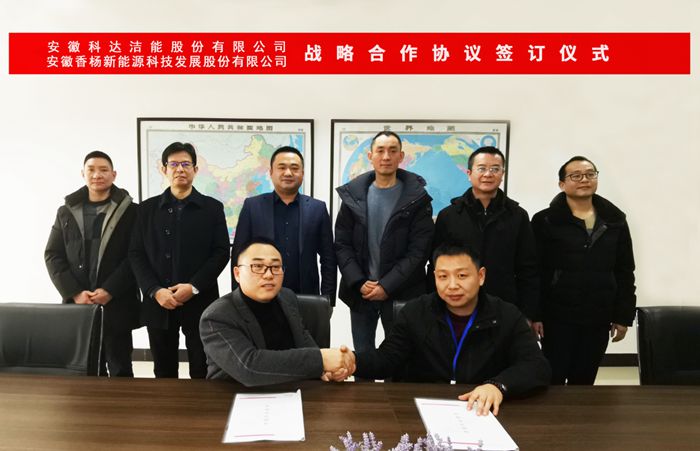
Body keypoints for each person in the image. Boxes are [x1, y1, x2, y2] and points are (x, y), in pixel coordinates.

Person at [352, 244, 551, 416]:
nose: (452, 285)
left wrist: (498, 385)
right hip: (422, 410)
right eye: (443, 277)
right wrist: (351, 361)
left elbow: (536, 366)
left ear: (481, 276)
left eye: (462, 276)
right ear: (435, 277)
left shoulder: (506, 315)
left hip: (482, 411)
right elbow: (386, 359)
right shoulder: (415, 312)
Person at [531, 156, 636, 385]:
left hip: (598, 314)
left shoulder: (615, 220)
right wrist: (534, 314)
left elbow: (625, 270)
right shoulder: (545, 220)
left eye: (590, 174)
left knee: (585, 380)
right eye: (576, 176)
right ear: (562, 184)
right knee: (552, 378)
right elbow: (534, 270)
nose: (584, 180)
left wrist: (623, 316)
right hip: (556, 315)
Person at [129, 142, 230, 378]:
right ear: (164, 169)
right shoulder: (146, 209)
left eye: (186, 164)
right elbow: (135, 253)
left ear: (195, 169)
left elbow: (221, 252)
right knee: (163, 370)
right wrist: (154, 290)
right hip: (158, 302)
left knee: (202, 368)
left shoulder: (212, 208)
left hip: (200, 301)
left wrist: (193, 287)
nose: (180, 169)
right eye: (173, 164)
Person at [200, 238, 353, 386]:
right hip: (233, 396)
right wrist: (321, 360)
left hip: (289, 392)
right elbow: (248, 367)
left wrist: (324, 370)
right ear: (237, 274)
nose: (269, 275)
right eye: (257, 266)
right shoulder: (216, 316)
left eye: (275, 267)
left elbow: (304, 341)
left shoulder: (286, 297)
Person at [335, 131, 434, 354]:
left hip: (402, 293)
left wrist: (386, 286)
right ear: (370, 156)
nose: (386, 156)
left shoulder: (417, 199)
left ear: (401, 156)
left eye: (392, 151)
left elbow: (419, 252)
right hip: (361, 292)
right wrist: (359, 281)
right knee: (363, 357)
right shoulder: (353, 196)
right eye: (380, 151)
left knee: (400, 357)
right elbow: (342, 244)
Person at [45, 151, 140, 377]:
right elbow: (53, 255)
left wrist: (110, 290)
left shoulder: (132, 211)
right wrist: (75, 292)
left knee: (120, 369)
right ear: (83, 173)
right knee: (85, 371)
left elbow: (136, 256)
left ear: (114, 175)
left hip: (117, 302)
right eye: (91, 169)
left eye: (104, 170)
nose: (97, 175)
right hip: (80, 305)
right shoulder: (65, 212)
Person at [432, 146, 539, 325]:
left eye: (495, 169)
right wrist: (434, 309)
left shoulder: (517, 215)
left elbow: (528, 268)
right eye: (481, 168)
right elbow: (436, 266)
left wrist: (529, 314)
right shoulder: (449, 216)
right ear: (469, 173)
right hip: (456, 305)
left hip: (505, 306)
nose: (488, 174)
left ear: (502, 174)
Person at [231, 146, 336, 304]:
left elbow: (328, 258)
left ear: (302, 173)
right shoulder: (252, 207)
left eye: (294, 168)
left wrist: (327, 300)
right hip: (260, 296)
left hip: (305, 297)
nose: (288, 173)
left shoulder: (317, 209)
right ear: (271, 172)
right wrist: (237, 299)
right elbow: (238, 255)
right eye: (282, 167)